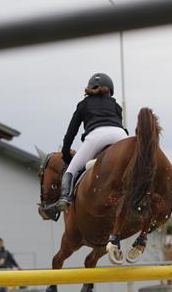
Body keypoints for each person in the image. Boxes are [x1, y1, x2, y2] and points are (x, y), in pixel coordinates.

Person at [55, 72, 128, 211]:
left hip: (96, 137)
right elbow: (119, 124)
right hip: (120, 135)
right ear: (110, 91)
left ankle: (65, 198)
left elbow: (71, 133)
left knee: (71, 170)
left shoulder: (83, 104)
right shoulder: (116, 106)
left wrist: (66, 154)